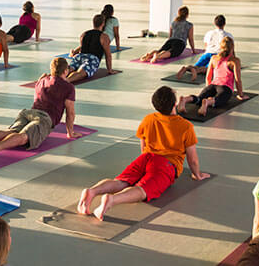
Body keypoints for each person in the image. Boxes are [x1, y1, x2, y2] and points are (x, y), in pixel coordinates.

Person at [77, 86, 209, 221]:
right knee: (143, 190)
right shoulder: (186, 126)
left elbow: (143, 145)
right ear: (174, 104)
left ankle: (92, 191)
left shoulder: (148, 119)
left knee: (121, 181)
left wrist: (144, 168)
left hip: (145, 158)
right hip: (165, 165)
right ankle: (112, 200)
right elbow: (193, 160)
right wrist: (197, 175)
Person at [0, 57, 78, 164]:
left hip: (28, 113)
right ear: (65, 71)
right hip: (44, 118)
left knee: (11, 131)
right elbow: (70, 112)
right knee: (25, 136)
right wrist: (70, 133)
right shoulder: (68, 87)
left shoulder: (42, 80)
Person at [177, 37, 245, 116]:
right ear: (232, 47)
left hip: (212, 85)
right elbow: (238, 80)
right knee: (219, 100)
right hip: (225, 88)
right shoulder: (235, 60)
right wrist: (240, 95)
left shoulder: (214, 58)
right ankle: (207, 102)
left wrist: (208, 89)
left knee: (199, 98)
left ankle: (185, 99)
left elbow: (208, 77)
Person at [176, 15, 233, 81]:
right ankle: (197, 71)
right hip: (218, 56)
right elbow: (230, 49)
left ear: (214, 23)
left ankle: (187, 68)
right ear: (224, 23)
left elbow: (206, 46)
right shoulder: (228, 35)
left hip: (207, 53)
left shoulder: (209, 33)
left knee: (196, 65)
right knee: (208, 68)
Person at [65, 14, 118, 83]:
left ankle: (53, 78)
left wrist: (75, 52)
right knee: (80, 73)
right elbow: (108, 55)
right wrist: (110, 70)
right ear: (103, 23)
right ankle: (66, 81)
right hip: (92, 59)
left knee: (69, 70)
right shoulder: (104, 37)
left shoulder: (84, 34)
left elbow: (82, 47)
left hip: (80, 56)